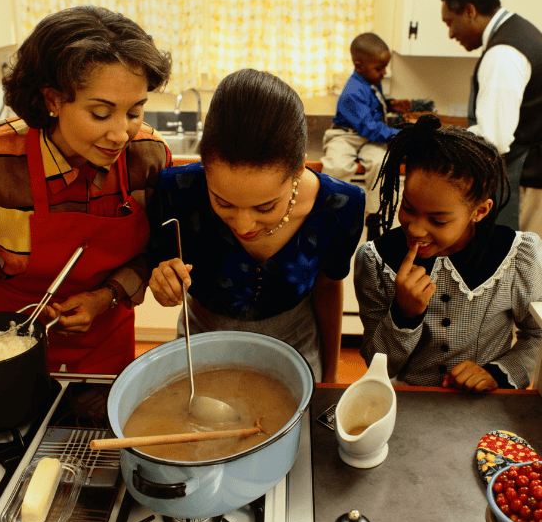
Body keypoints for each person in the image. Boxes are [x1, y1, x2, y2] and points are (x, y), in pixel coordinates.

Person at [0, 5, 172, 374]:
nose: (120, 134)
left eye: (134, 112)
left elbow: (156, 252)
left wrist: (106, 296)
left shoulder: (147, 157)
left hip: (105, 344)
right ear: (52, 100)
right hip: (0, 348)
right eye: (100, 113)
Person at [148, 69, 365, 383]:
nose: (244, 224)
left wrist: (329, 378)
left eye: (266, 207)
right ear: (205, 167)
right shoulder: (176, 190)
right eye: (223, 203)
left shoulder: (340, 206)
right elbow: (161, 267)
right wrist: (163, 280)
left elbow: (329, 287)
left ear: (297, 170)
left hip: (297, 353)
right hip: (201, 351)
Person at [354, 114, 542, 392]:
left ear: (480, 211)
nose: (416, 230)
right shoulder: (375, 260)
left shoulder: (517, 256)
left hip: (486, 405)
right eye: (408, 207)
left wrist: (499, 374)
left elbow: (537, 335)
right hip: (408, 401)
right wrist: (404, 314)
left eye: (438, 220)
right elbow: (377, 362)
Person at [441, 0, 542, 233]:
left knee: (521, 264)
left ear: (470, 11)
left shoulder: (503, 53)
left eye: (450, 22)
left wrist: (445, 142)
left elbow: (493, 138)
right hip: (530, 171)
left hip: (526, 177)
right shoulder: (520, 32)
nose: (451, 33)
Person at [320, 33, 409, 241]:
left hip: (367, 136)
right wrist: (399, 135)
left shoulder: (370, 80)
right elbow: (369, 127)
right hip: (346, 136)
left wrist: (391, 103)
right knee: (336, 167)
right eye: (380, 69)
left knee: (381, 163)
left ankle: (374, 216)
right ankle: (330, 216)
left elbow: (373, 106)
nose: (384, 73)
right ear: (359, 66)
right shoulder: (352, 91)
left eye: (384, 67)